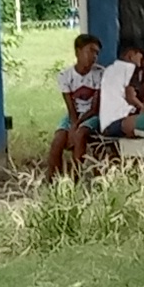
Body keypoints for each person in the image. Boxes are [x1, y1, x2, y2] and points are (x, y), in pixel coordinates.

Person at [40, 33, 109, 181]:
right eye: (90, 51)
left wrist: (76, 126)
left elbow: (94, 108)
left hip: (92, 115)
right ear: (78, 52)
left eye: (96, 53)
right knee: (58, 139)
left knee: (80, 134)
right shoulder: (65, 76)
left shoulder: (99, 74)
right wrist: (72, 123)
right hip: (75, 114)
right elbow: (70, 107)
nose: (94, 56)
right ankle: (52, 178)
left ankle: (75, 177)